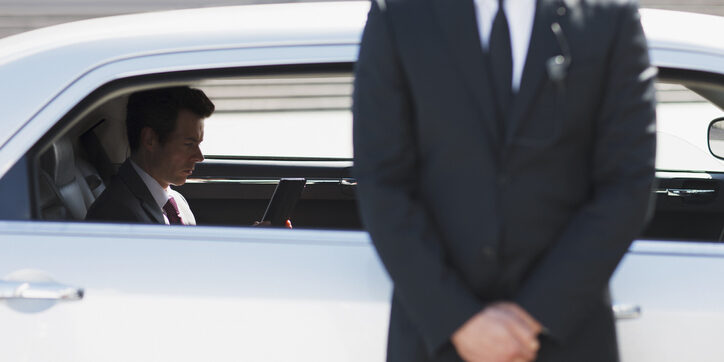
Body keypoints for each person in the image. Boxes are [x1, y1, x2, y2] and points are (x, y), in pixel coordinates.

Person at [352, 0, 656, 361]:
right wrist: (458, 320)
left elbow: (627, 183)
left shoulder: (609, 14)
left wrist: (533, 316)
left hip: (565, 340)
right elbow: (382, 180)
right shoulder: (400, 12)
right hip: (436, 340)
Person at [86, 86, 213, 225]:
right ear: (150, 139)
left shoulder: (177, 201)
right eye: (188, 144)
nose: (199, 157)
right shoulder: (116, 215)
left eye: (198, 144)